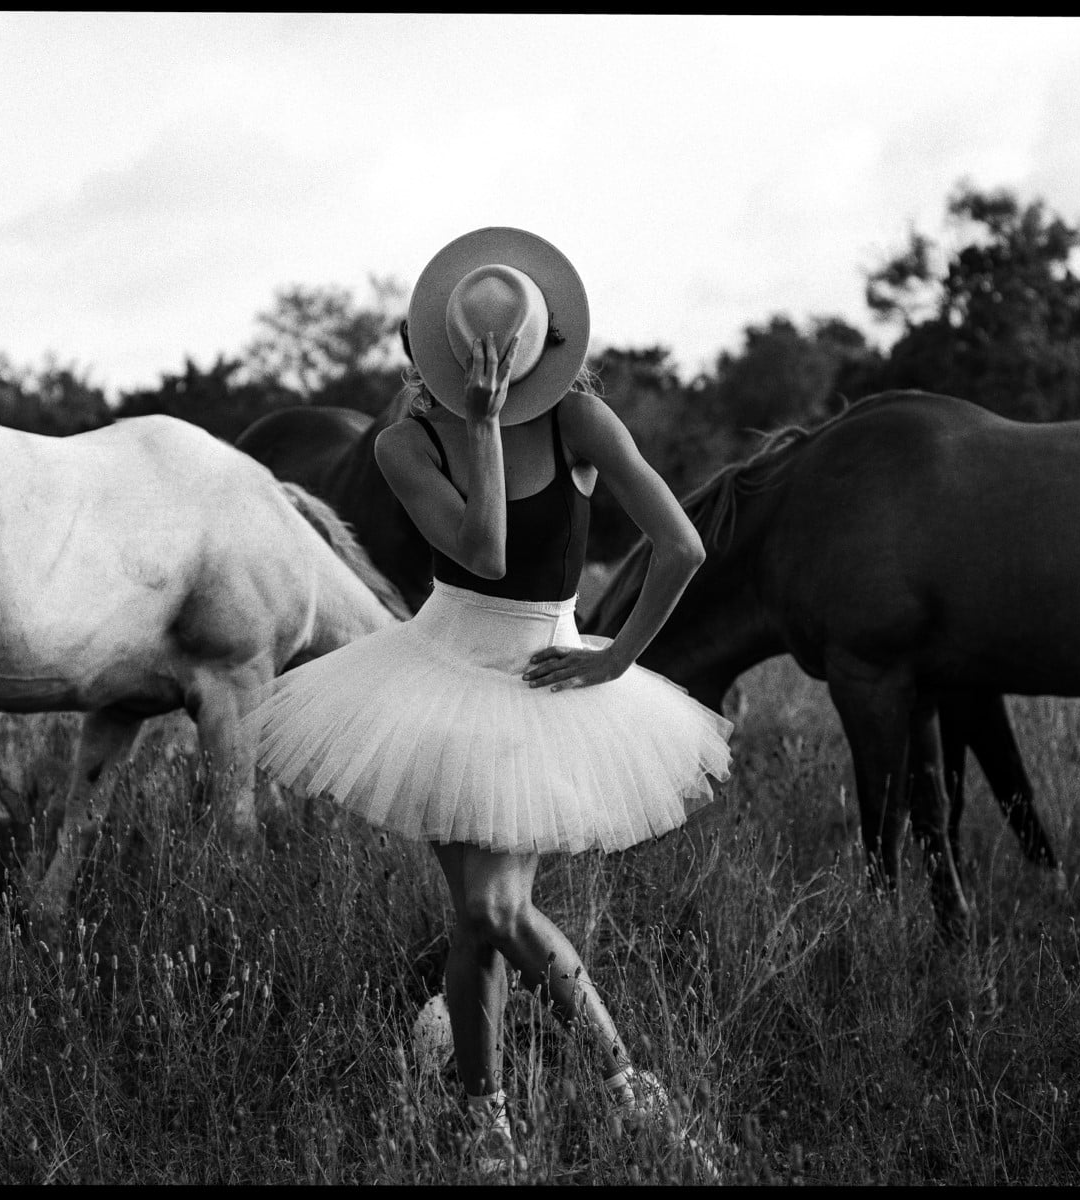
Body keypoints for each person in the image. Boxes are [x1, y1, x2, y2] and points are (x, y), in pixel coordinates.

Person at [250, 227, 733, 1175]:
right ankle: (496, 1122)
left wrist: (614, 661)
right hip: (438, 672)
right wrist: (476, 425)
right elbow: (485, 555)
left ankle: (618, 1088)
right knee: (480, 913)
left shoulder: (580, 422)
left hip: (545, 673)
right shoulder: (405, 441)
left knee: (493, 912)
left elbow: (682, 547)